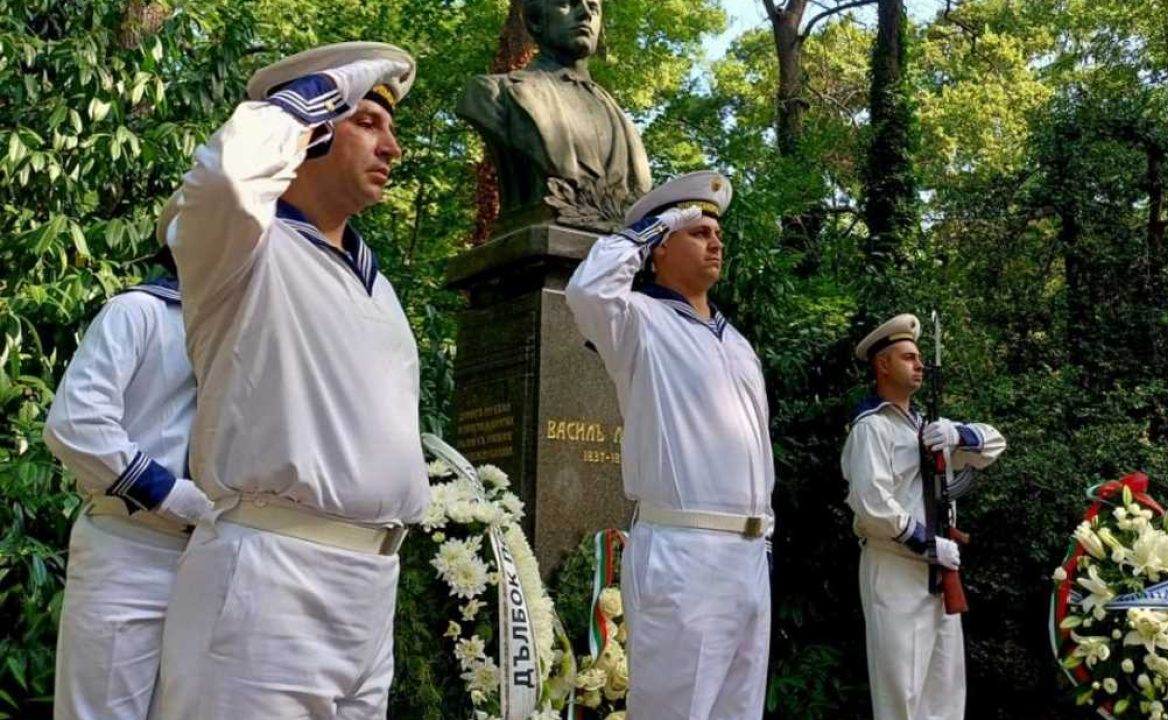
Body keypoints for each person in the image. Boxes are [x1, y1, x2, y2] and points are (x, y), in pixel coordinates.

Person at [153, 42, 430, 719]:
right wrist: (323, 91)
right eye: (367, 122)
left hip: (372, 586)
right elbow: (227, 179)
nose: (391, 147)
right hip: (270, 575)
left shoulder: (379, 286)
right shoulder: (242, 247)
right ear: (313, 132)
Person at [565, 171, 774, 720]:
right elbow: (587, 290)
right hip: (684, 551)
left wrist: (765, 545)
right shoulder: (639, 319)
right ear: (660, 248)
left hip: (750, 553)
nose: (715, 242)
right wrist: (652, 226)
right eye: (698, 232)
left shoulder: (738, 342)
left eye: (717, 234)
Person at [43, 231, 212, 720]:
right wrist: (170, 494)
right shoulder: (137, 311)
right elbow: (76, 424)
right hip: (130, 547)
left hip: (211, 558)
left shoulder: (239, 330)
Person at [841, 313, 1007, 720]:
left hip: (938, 571)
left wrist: (958, 434)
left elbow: (995, 445)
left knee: (944, 692)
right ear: (883, 365)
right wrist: (928, 543)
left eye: (919, 357)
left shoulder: (928, 428)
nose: (919, 365)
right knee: (901, 694)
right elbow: (872, 504)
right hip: (896, 568)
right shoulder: (871, 429)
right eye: (908, 357)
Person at [457, 0, 651, 226]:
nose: (585, 13)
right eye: (568, 3)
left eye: (593, 7)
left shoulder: (620, 118)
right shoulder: (492, 93)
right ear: (535, 21)